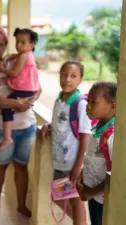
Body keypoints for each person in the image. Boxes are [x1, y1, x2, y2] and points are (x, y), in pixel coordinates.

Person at [0, 27, 40, 224]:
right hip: (1, 130)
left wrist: (30, 100)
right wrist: (15, 103)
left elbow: (36, 86)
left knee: (21, 167)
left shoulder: (17, 61)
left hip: (27, 126)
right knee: (0, 166)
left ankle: (20, 204)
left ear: (5, 45)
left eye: (0, 44)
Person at [41, 61, 91, 225]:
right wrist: (48, 126)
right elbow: (60, 123)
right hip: (59, 162)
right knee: (59, 197)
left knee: (76, 202)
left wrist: (78, 165)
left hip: (72, 163)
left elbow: (85, 136)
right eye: (64, 74)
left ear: (81, 79)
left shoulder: (81, 104)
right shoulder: (59, 99)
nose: (67, 79)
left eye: (73, 76)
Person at [77, 82, 117, 225]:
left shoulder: (112, 136)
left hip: (102, 199)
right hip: (92, 196)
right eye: (88, 101)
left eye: (93, 102)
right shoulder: (97, 128)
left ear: (113, 106)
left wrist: (90, 192)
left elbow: (115, 175)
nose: (87, 106)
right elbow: (92, 157)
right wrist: (82, 176)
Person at [0, 28, 40, 151]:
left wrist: (3, 70)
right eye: (17, 42)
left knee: (7, 107)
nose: (19, 45)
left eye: (23, 42)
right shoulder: (27, 54)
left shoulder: (23, 56)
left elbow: (14, 73)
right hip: (32, 89)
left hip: (25, 89)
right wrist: (8, 57)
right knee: (15, 106)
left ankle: (7, 137)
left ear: (32, 44)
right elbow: (14, 56)